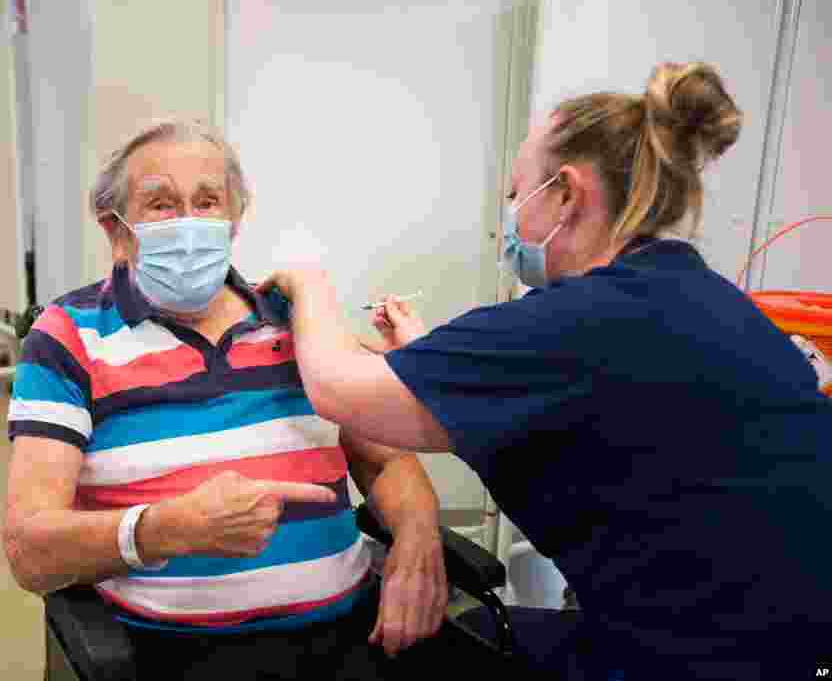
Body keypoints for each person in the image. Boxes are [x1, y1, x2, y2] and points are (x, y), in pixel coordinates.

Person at [259, 63, 832, 680]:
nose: (509, 215)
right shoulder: (701, 298)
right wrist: (423, 354)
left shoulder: (582, 320)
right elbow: (548, 403)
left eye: (514, 194)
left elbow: (336, 390)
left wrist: (307, 282)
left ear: (566, 193)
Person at [1, 119, 502, 680]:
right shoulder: (69, 336)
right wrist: (165, 529)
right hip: (175, 657)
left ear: (234, 221)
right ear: (117, 232)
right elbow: (29, 547)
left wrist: (417, 538)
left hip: (350, 639)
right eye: (162, 204)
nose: (189, 223)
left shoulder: (300, 323)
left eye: (208, 201)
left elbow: (387, 461)